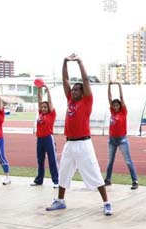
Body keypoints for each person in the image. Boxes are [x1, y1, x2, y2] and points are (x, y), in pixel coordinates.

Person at [45, 54, 112, 216]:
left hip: (83, 144)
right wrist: (65, 61)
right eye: (72, 90)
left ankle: (107, 202)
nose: (73, 91)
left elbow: (85, 80)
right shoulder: (70, 100)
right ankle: (60, 201)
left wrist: (80, 62)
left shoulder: (86, 101)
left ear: (82, 92)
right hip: (70, 144)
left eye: (76, 90)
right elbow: (65, 79)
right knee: (64, 172)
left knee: (94, 172)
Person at [104, 82, 139, 190]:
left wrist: (118, 85)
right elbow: (109, 97)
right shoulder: (112, 112)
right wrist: (109, 85)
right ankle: (108, 179)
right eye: (114, 105)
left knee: (128, 160)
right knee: (110, 161)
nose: (115, 107)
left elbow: (121, 98)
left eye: (117, 105)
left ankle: (135, 181)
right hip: (112, 140)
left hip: (122, 140)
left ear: (120, 106)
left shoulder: (123, 112)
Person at [30, 84, 59, 187]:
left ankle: (56, 181)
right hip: (40, 139)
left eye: (45, 107)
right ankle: (39, 180)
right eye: (42, 107)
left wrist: (47, 89)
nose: (43, 108)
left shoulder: (51, 114)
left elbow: (50, 102)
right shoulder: (40, 114)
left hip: (48, 138)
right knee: (40, 160)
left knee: (52, 160)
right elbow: (39, 100)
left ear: (48, 108)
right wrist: (38, 89)